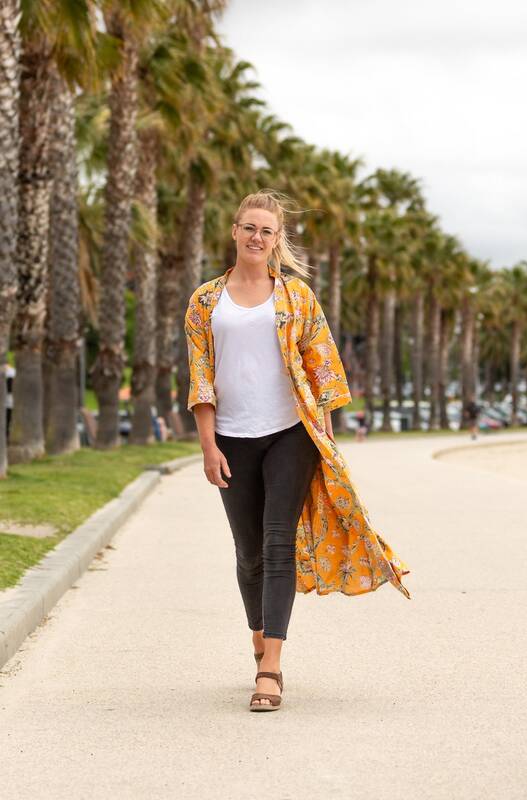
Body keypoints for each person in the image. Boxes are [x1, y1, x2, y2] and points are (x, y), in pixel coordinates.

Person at [184, 190, 411, 713]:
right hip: (233, 438)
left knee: (278, 542)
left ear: (277, 239)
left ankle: (271, 666)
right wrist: (208, 446)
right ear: (235, 232)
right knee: (248, 553)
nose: (257, 237)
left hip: (292, 433)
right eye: (249, 228)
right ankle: (259, 635)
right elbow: (201, 379)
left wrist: (325, 441)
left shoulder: (297, 297)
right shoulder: (205, 301)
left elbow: (322, 368)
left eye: (266, 230)